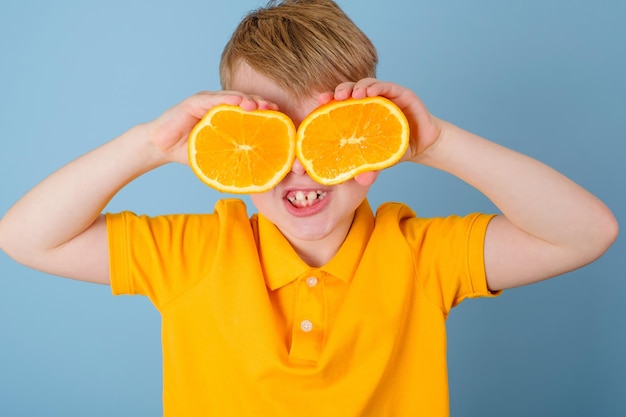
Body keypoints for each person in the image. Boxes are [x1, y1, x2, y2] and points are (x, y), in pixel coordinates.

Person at [0, 0, 618, 415]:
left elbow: (586, 233)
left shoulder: (421, 255)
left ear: (373, 136)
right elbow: (29, 238)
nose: (300, 161)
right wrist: (149, 145)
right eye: (271, 129)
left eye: (326, 131)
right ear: (230, 141)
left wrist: (439, 144)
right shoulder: (190, 255)